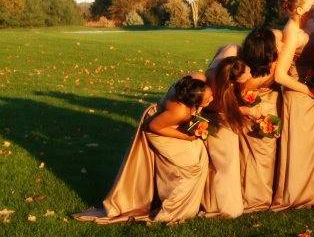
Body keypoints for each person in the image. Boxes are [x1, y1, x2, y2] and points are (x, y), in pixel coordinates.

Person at [74, 76, 213, 224]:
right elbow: (154, 126)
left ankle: (176, 200)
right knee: (191, 167)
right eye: (209, 98)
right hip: (156, 130)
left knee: (199, 153)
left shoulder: (190, 90)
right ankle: (172, 210)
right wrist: (185, 137)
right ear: (193, 101)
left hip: (165, 121)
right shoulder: (179, 112)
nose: (212, 98)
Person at [271, 0, 314, 211]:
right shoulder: (292, 31)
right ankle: (295, 194)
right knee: (300, 146)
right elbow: (280, 75)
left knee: (310, 146)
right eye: (310, 5)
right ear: (298, 8)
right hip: (297, 94)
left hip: (307, 88)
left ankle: (311, 192)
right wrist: (307, 91)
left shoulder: (302, 26)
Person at [236, 26, 284, 212]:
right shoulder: (250, 79)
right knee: (260, 154)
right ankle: (256, 198)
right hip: (258, 111)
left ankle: (265, 193)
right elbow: (241, 98)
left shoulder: (269, 64)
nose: (280, 46)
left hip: (272, 104)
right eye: (276, 44)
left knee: (269, 154)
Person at [200, 55, 251, 218]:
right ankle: (227, 207)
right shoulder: (221, 87)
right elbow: (226, 110)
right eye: (247, 73)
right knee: (226, 163)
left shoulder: (220, 72)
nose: (250, 73)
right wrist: (250, 111)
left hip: (218, 117)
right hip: (214, 121)